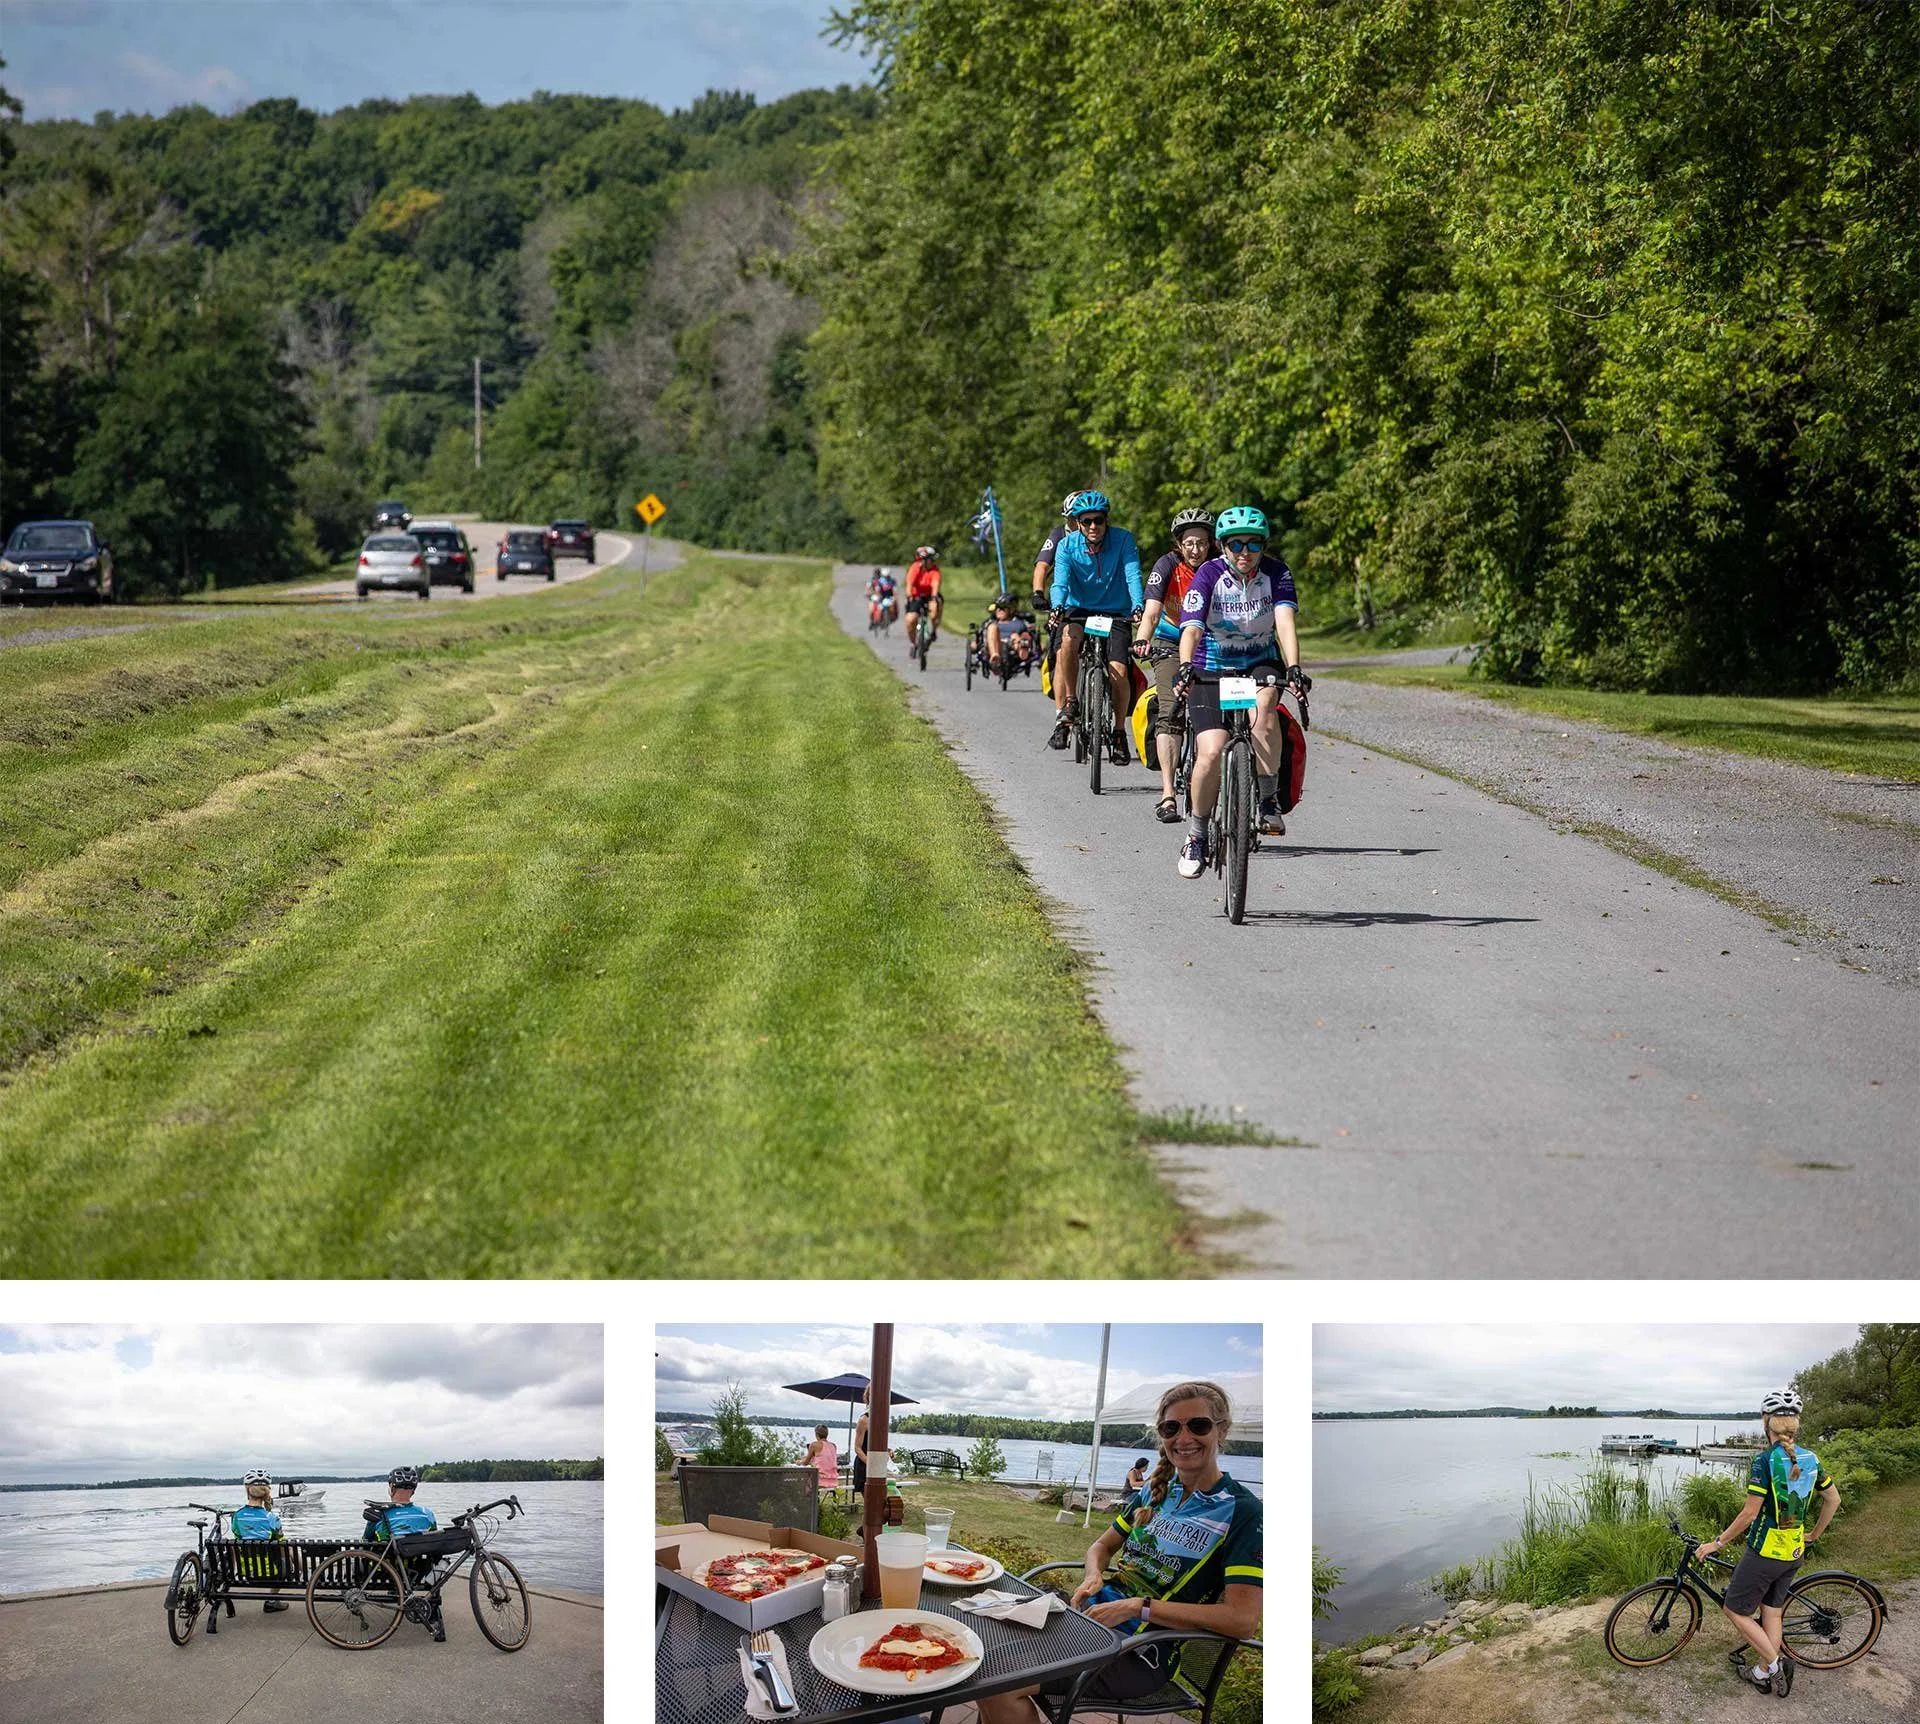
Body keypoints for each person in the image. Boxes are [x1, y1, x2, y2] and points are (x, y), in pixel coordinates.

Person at [977, 1381, 1261, 1723]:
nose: (1183, 1438)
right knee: (984, 1653)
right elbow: (1102, 1546)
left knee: (998, 1682)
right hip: (1089, 1621)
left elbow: (1242, 1621)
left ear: (1222, 1429)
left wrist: (1137, 1608)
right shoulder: (1155, 1494)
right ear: (1162, 1436)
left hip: (1141, 1652)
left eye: (1197, 1425)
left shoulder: (1242, 1511)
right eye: (1171, 1428)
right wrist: (1094, 1573)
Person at [1172, 504, 1305, 876]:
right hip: (1211, 666)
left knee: (1264, 713)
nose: (1244, 552)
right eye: (1234, 544)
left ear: (1263, 546)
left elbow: (1284, 622)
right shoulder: (1208, 575)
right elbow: (1193, 628)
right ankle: (1196, 834)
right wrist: (1185, 665)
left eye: (1253, 544)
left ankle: (1266, 799)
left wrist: (1293, 666)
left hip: (1259, 662)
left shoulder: (1277, 573)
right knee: (1211, 751)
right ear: (1222, 546)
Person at [1693, 1388, 1840, 1697]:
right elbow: (1833, 1499)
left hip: (1764, 1553)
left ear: (1765, 1421)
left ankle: (1775, 1665)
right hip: (1794, 1551)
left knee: (1735, 1611)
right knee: (1771, 1612)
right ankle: (1761, 1673)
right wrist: (1814, 1534)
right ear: (1796, 1423)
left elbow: (1749, 1514)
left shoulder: (1764, 1461)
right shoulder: (1812, 1459)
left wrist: (1716, 1544)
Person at [1048, 490, 1144, 761]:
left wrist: (1138, 605)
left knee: (1118, 671)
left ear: (1106, 520)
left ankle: (1118, 731)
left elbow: (1133, 575)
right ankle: (1070, 701)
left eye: (1098, 520)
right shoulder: (1067, 546)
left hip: (1116, 611)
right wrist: (1057, 606)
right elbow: (1060, 583)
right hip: (1080, 609)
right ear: (1077, 523)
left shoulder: (1123, 539)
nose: (1093, 526)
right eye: (1087, 521)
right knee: (1067, 640)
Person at [1136, 507, 1215, 822]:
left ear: (1212, 544)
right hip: (1170, 642)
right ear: (1179, 545)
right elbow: (1152, 611)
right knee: (1170, 709)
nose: (1195, 550)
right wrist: (1143, 637)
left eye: (1202, 543)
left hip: (1212, 645)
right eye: (1189, 544)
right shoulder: (1167, 566)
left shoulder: (1221, 568)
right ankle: (1168, 794)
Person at [233, 1468, 290, 1613]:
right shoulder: (272, 1518)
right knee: (288, 1551)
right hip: (272, 1572)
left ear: (247, 1490)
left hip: (246, 1571)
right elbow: (282, 1543)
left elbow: (238, 1537)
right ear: (267, 1492)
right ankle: (271, 1599)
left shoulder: (237, 1517)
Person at [984, 593, 1035, 674]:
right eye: (997, 608)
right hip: (997, 644)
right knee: (992, 628)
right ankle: (995, 656)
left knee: (1016, 636)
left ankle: (1022, 650)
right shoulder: (992, 623)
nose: (999, 610)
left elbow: (1030, 631)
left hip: (1013, 645)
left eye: (1002, 608)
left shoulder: (1019, 622)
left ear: (1011, 610)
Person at [904, 546, 943, 650]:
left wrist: (934, 598)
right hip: (916, 596)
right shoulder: (915, 568)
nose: (933, 562)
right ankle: (914, 643)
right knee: (910, 620)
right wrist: (909, 596)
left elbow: (935, 584)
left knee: (935, 609)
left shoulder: (935, 570)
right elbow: (909, 584)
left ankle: (933, 630)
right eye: (931, 559)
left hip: (930, 596)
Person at [803, 1424, 839, 1491]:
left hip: (819, 1479)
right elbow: (824, 1459)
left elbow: (805, 1462)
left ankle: (810, 1500)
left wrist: (799, 1462)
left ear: (816, 1434)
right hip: (833, 1480)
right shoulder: (833, 1446)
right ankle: (816, 1500)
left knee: (803, 1482)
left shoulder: (814, 1445)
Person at [851, 1406, 871, 1494]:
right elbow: (857, 1448)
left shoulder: (881, 1419)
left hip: (878, 1466)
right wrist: (870, 1463)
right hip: (864, 1466)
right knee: (870, 1501)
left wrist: (888, 1451)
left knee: (879, 1500)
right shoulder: (863, 1420)